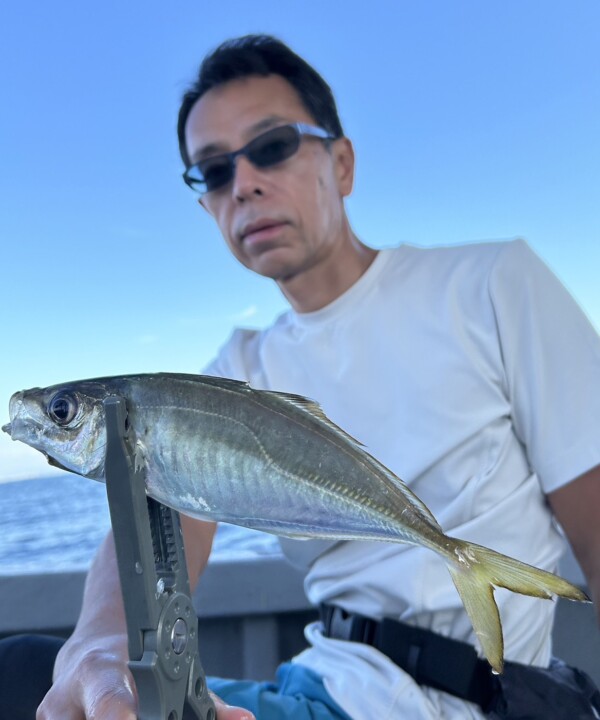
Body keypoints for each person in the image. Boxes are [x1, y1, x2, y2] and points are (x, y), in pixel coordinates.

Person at [2, 34, 600, 720]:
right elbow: (155, 515)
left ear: (342, 163)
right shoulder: (235, 370)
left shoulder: (493, 283)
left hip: (465, 700)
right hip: (320, 684)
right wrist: (98, 642)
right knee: (22, 669)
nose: (245, 182)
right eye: (213, 172)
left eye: (273, 146)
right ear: (206, 207)